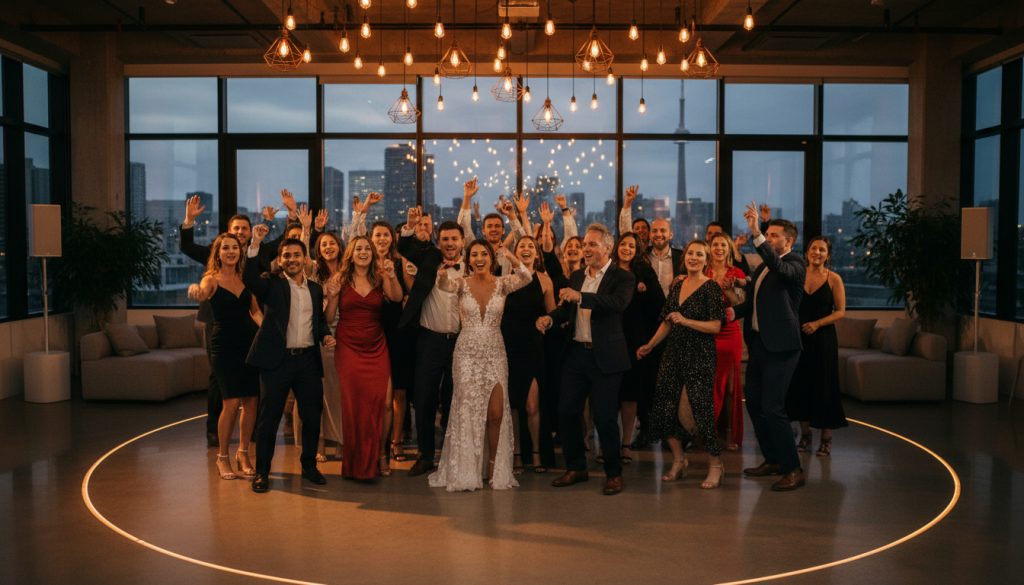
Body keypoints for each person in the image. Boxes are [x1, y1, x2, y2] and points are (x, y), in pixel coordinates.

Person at [537, 223, 635, 496]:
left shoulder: (622, 277)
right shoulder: (578, 275)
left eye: (592, 244)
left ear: (607, 248)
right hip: (577, 355)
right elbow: (566, 307)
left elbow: (616, 304)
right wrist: (550, 318)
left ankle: (614, 474)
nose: (586, 249)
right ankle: (576, 466)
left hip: (606, 358)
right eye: (585, 245)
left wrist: (581, 297)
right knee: (567, 412)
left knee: (604, 418)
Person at [428, 241, 531, 491]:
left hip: (495, 351)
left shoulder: (503, 284)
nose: (480, 258)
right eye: (474, 254)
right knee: (468, 411)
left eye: (484, 253)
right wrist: (441, 275)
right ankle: (467, 468)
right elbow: (444, 285)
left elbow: (526, 277)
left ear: (491, 258)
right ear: (468, 259)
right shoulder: (461, 283)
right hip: (466, 354)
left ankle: (494, 466)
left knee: (496, 413)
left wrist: (512, 256)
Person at [244, 226, 336, 493]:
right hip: (277, 361)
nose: (292, 259)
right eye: (286, 256)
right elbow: (249, 277)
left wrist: (325, 336)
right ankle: (262, 472)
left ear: (305, 259)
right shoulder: (270, 283)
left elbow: (318, 322)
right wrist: (255, 243)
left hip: (307, 359)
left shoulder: (316, 289)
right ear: (280, 259)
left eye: (297, 255)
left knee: (311, 416)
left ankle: (309, 466)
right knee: (268, 419)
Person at [637, 240, 726, 489]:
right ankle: (678, 460)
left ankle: (716, 465)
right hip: (672, 353)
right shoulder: (678, 285)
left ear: (706, 260)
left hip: (699, 355)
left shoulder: (711, 289)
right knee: (664, 408)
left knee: (701, 411)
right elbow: (667, 321)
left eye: (700, 254)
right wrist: (650, 345)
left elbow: (716, 326)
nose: (694, 257)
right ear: (684, 257)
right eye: (690, 253)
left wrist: (686, 321)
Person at [734, 204, 807, 492]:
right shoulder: (764, 266)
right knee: (754, 402)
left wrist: (755, 231)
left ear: (788, 241)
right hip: (761, 345)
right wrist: (731, 313)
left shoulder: (794, 264)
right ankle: (773, 459)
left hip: (783, 347)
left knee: (773, 408)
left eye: (773, 235)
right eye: (768, 234)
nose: (768, 237)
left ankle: (793, 469)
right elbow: (753, 301)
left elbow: (779, 267)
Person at [325, 236, 403, 480]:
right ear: (351, 253)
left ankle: (380, 453)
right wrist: (332, 295)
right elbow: (328, 318)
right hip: (348, 346)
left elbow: (398, 297)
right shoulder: (340, 278)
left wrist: (390, 275)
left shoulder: (379, 277)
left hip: (376, 345)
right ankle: (356, 460)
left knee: (384, 403)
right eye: (358, 248)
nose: (363, 252)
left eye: (367, 249)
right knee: (353, 405)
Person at [180, 195, 254, 448]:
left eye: (245, 229)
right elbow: (188, 248)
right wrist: (189, 220)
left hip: (246, 332)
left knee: (249, 389)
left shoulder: (252, 260)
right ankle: (214, 430)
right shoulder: (218, 254)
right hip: (218, 326)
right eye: (236, 229)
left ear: (250, 233)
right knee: (218, 379)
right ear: (227, 235)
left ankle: (247, 434)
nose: (240, 233)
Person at [398, 206, 466, 477]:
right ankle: (425, 455)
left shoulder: (473, 264)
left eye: (454, 239)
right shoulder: (428, 258)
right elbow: (404, 246)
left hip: (460, 342)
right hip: (429, 339)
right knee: (424, 398)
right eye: (445, 239)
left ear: (462, 241)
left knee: (454, 399)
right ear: (439, 242)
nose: (450, 244)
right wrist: (410, 225)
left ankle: (451, 456)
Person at [187, 233, 261, 480]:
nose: (231, 251)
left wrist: (270, 334)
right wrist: (196, 292)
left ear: (240, 252)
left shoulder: (244, 279)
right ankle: (222, 457)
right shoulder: (211, 279)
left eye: (235, 248)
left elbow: (256, 312)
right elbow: (202, 292)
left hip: (249, 344)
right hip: (224, 346)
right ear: (217, 253)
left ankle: (243, 453)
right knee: (230, 403)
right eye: (225, 248)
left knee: (251, 402)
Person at [787, 236, 848, 456]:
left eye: (822, 250)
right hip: (799, 338)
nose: (817, 253)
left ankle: (826, 439)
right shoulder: (798, 276)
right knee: (801, 384)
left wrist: (817, 323)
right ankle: (805, 437)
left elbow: (840, 311)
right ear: (807, 252)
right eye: (814, 248)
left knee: (825, 386)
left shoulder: (834, 279)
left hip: (823, 339)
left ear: (828, 255)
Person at [501, 235, 557, 473]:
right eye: (521, 246)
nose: (526, 249)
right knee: (512, 403)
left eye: (530, 246)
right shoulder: (506, 280)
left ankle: (535, 452)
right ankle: (515, 453)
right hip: (508, 344)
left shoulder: (545, 280)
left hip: (534, 345)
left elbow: (554, 313)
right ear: (515, 252)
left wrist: (547, 321)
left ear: (537, 253)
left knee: (532, 405)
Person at [613, 231, 664, 464]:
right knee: (609, 394)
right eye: (623, 244)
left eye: (631, 246)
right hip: (609, 338)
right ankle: (608, 444)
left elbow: (659, 304)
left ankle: (626, 443)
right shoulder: (608, 270)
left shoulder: (644, 271)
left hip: (634, 339)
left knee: (630, 394)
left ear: (637, 250)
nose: (626, 249)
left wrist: (644, 290)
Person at [369, 219, 417, 465]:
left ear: (392, 238)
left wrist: (407, 298)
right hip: (372, 331)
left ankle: (396, 441)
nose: (382, 239)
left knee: (399, 391)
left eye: (386, 235)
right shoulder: (365, 263)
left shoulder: (402, 263)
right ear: (371, 237)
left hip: (399, 331)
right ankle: (375, 441)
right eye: (377, 235)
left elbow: (415, 291)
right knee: (376, 392)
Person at [707, 232, 748, 450]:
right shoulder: (703, 270)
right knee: (708, 385)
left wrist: (728, 289)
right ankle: (708, 431)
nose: (719, 248)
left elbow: (738, 305)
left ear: (729, 248)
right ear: (710, 247)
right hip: (705, 333)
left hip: (729, 332)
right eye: (715, 244)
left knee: (731, 387)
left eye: (723, 244)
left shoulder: (737, 273)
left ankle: (731, 433)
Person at [308, 231, 345, 462]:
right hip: (322, 334)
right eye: (323, 244)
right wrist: (305, 227)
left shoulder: (348, 272)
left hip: (347, 335)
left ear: (340, 246)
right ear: (318, 250)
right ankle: (320, 440)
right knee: (319, 393)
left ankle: (341, 440)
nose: (328, 247)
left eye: (332, 243)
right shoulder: (314, 272)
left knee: (340, 393)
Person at [618, 185, 651, 250]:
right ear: (632, 231)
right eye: (637, 228)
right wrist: (627, 202)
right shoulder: (631, 249)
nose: (640, 230)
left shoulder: (655, 250)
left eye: (644, 228)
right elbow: (625, 229)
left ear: (649, 231)